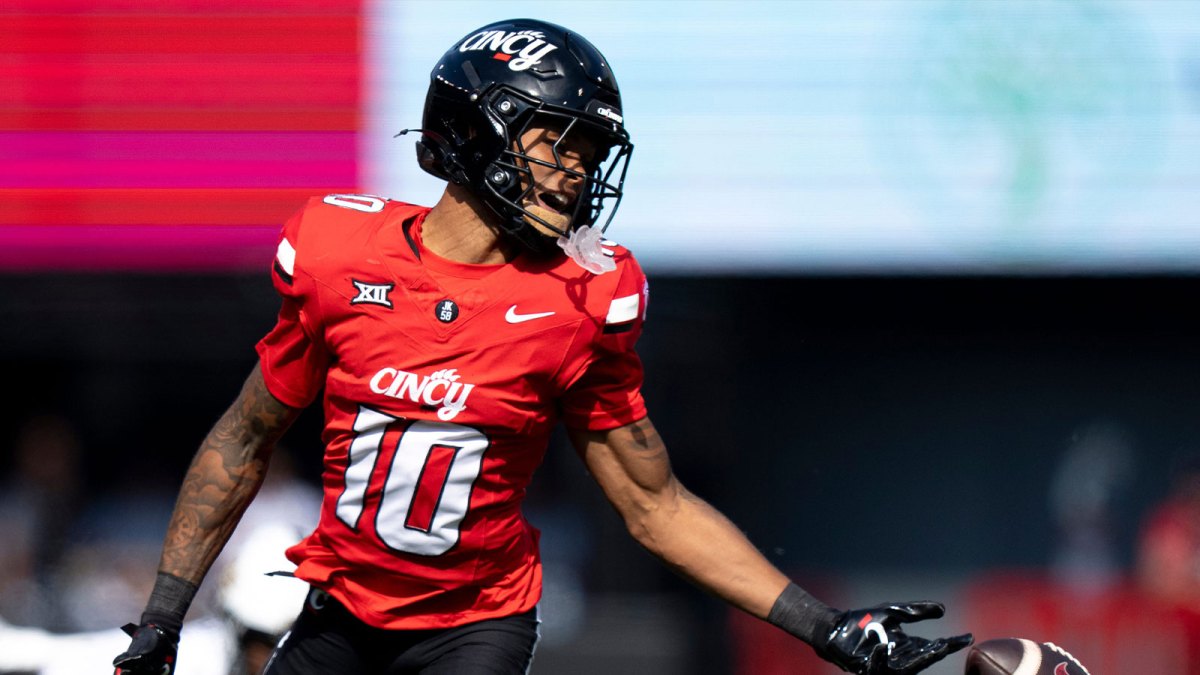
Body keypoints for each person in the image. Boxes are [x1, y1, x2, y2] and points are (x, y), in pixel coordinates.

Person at [112, 18, 972, 675]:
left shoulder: (582, 297)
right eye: (561, 143)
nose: (579, 171)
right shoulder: (339, 256)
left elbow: (656, 505)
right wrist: (162, 617)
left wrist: (828, 628)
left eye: (591, 152)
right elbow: (244, 439)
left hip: (474, 624)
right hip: (341, 610)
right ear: (479, 128)